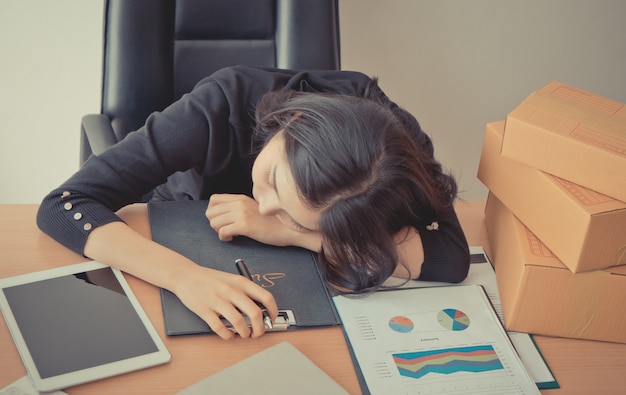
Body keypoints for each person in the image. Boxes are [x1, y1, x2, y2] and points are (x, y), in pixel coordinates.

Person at [37, 65, 470, 340]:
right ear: (294, 123)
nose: (263, 207)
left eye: (303, 219)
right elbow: (64, 205)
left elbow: (451, 259)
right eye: (270, 182)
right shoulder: (221, 102)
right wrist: (186, 278)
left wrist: (290, 235)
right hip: (185, 227)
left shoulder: (394, 155)